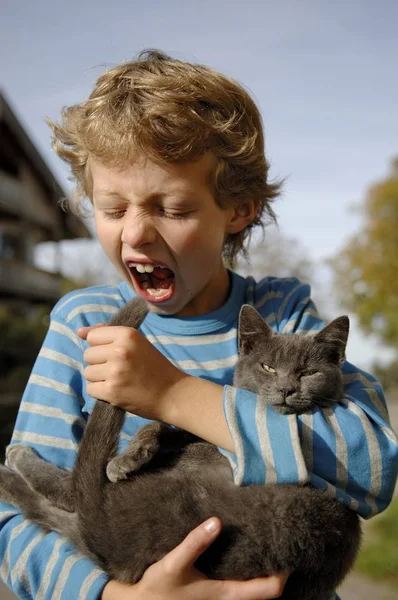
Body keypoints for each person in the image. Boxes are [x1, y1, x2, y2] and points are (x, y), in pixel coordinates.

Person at [0, 50, 397, 600]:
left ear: (238, 210)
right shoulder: (83, 323)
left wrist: (175, 396)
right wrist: (115, 597)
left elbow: (373, 469)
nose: (136, 234)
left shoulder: (283, 316)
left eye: (173, 209)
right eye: (113, 210)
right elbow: (10, 522)